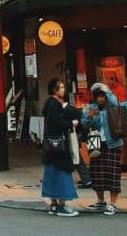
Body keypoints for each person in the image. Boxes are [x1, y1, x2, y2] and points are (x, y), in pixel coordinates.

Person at [81, 83, 124, 216]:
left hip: (113, 143)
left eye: (102, 96)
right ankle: (101, 200)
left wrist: (106, 90)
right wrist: (89, 116)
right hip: (97, 144)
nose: (100, 99)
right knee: (97, 173)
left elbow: (115, 102)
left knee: (113, 173)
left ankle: (113, 203)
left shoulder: (112, 106)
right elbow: (84, 124)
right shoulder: (92, 107)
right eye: (98, 96)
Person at [41, 77, 79, 217]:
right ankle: (62, 205)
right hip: (59, 145)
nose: (63, 90)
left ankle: (53, 204)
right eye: (61, 88)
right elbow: (56, 123)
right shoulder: (55, 104)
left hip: (50, 146)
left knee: (52, 174)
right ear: (54, 90)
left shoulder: (48, 103)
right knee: (63, 173)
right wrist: (71, 124)